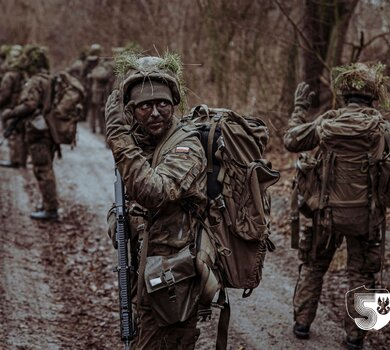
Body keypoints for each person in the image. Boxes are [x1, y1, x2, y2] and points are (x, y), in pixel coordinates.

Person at [283, 62, 389, 350]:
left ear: (343, 97)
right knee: (364, 274)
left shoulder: (326, 123)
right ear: (374, 98)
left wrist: (300, 108)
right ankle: (356, 338)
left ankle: (302, 325)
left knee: (314, 266)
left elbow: (291, 140)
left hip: (324, 214)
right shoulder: (383, 129)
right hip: (367, 218)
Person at [105, 52, 207, 349]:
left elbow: (155, 192)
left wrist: (119, 141)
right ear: (131, 110)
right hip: (147, 271)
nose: (154, 113)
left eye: (162, 103)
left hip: (175, 276)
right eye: (144, 106)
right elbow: (128, 197)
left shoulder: (186, 145)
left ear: (174, 103)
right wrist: (119, 219)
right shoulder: (141, 143)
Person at [3, 45, 59, 220]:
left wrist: (10, 113)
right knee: (46, 168)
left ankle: (50, 209)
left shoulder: (35, 81)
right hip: (49, 130)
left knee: (42, 170)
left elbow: (30, 105)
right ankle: (47, 204)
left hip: (39, 131)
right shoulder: (49, 78)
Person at [0, 44, 27, 168]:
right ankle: (21, 160)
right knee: (20, 134)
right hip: (21, 107)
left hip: (11, 108)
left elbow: (4, 94)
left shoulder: (10, 75)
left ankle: (14, 160)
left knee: (12, 134)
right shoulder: (24, 74)